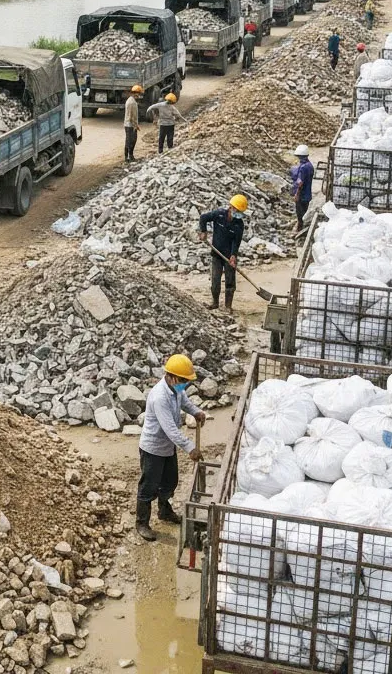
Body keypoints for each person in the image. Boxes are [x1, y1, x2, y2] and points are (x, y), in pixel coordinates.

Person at [135, 354, 206, 541]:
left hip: (167, 448)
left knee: (170, 481)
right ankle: (142, 523)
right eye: (183, 381)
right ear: (172, 376)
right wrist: (191, 447)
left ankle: (164, 512)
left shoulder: (176, 389)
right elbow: (171, 430)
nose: (185, 385)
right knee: (148, 486)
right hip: (153, 448)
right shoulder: (159, 397)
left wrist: (197, 412)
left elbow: (185, 402)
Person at [198, 194, 247, 310]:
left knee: (230, 282)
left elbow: (236, 242)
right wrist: (203, 232)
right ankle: (215, 303)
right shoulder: (219, 215)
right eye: (238, 210)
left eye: (241, 212)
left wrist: (233, 255)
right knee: (215, 280)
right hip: (216, 254)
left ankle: (228, 306)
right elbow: (203, 218)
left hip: (229, 256)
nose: (239, 214)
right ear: (231, 207)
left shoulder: (239, 224)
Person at [291, 145, 314, 232]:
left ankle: (300, 229)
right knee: (305, 210)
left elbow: (300, 183)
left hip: (302, 195)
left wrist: (297, 194)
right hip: (307, 194)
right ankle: (303, 227)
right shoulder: (310, 165)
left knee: (300, 213)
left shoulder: (303, 167)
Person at [124, 85, 142, 162]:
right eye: (139, 94)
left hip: (129, 124)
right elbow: (132, 116)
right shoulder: (132, 103)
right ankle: (128, 157)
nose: (139, 96)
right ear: (136, 93)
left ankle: (129, 156)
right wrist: (135, 125)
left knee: (130, 140)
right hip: (130, 125)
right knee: (130, 141)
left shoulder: (130, 100)